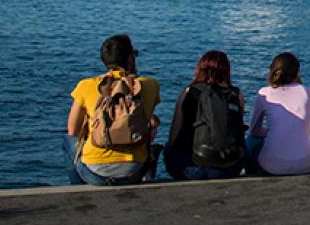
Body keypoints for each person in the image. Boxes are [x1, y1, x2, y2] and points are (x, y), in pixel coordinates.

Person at [65, 34, 160, 186]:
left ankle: (78, 189)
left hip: (94, 174)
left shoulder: (86, 85)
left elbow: (73, 131)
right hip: (135, 171)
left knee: (68, 141)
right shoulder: (150, 85)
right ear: (130, 59)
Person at [163, 50, 246, 181]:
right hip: (228, 169)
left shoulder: (188, 93)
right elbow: (238, 136)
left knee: (168, 148)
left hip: (191, 169)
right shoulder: (234, 95)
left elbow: (174, 138)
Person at [248, 52, 310, 176]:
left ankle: (250, 174)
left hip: (273, 167)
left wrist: (273, 131)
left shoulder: (264, 93)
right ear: (297, 73)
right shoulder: (306, 91)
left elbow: (254, 131)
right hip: (306, 164)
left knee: (251, 141)